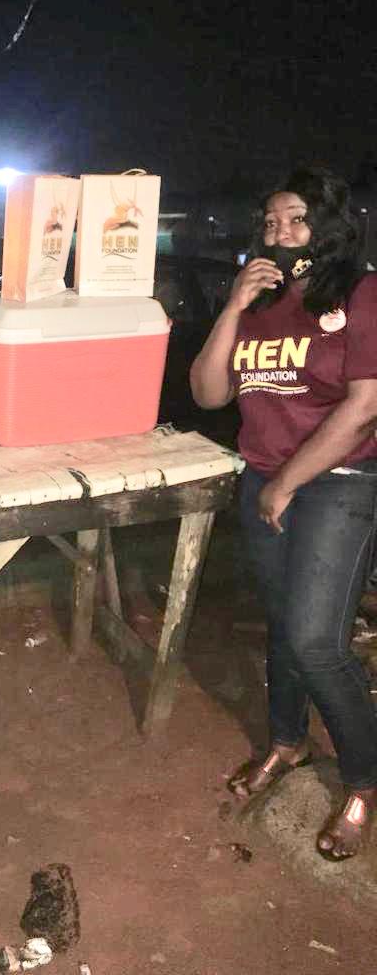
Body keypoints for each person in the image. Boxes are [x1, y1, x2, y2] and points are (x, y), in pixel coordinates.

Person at [190, 166, 377, 862]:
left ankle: (362, 780)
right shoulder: (260, 304)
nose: (282, 233)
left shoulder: (361, 293)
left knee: (317, 643)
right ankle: (288, 743)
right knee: (284, 629)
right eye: (271, 223)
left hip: (339, 480)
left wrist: (286, 484)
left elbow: (365, 405)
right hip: (264, 477)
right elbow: (208, 393)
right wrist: (234, 306)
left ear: (329, 225)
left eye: (297, 219)